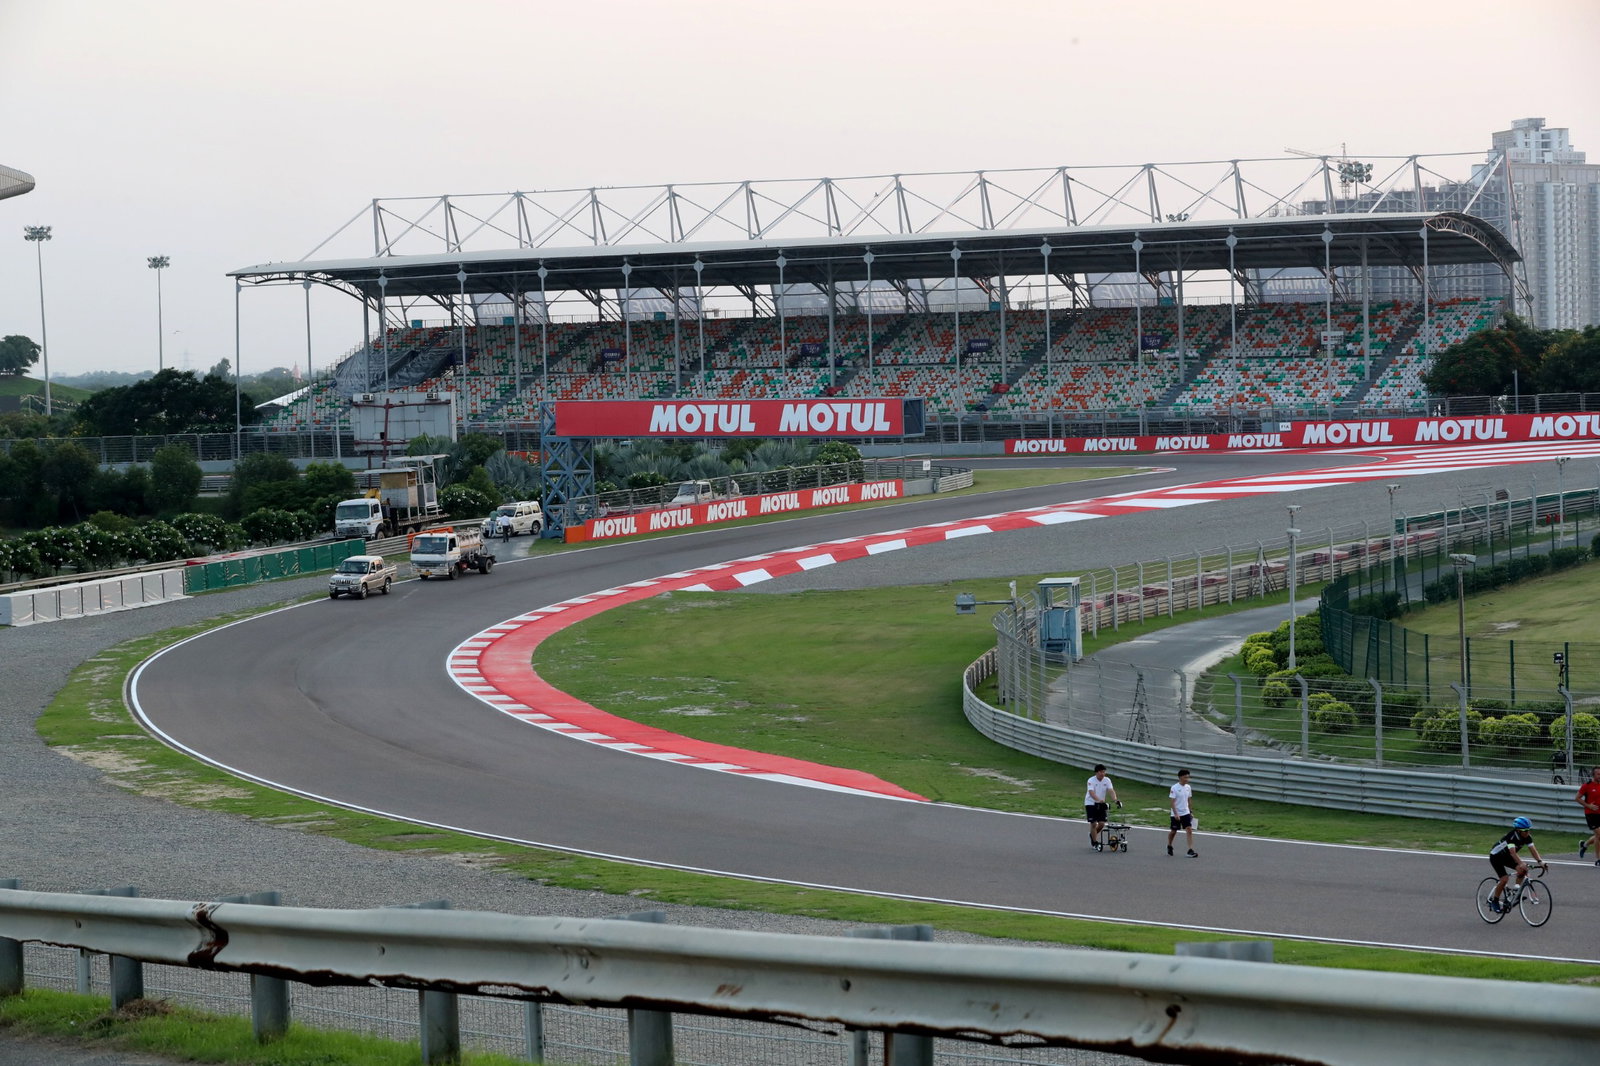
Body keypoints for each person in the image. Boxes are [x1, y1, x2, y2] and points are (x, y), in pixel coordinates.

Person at [1487, 816, 1543, 911]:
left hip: (1507, 856)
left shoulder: (1527, 837)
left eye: (1529, 830)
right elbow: (1513, 853)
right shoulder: (1511, 837)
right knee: (1504, 879)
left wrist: (1540, 861)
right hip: (1496, 857)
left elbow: (1533, 850)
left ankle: (1515, 892)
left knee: (1523, 870)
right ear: (1518, 830)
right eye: (1525, 830)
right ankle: (1495, 901)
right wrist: (1521, 863)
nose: (1528, 832)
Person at [1083, 764, 1120, 850]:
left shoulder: (1107, 780)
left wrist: (1115, 800)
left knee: (1102, 824)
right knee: (1093, 823)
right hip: (1091, 803)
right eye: (1101, 772)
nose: (1102, 774)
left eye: (1104, 772)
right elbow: (1091, 792)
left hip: (1101, 804)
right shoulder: (1091, 780)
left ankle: (1092, 834)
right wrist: (1098, 800)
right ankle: (1095, 842)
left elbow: (1111, 790)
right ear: (1096, 772)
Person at [1167, 768, 1197, 858]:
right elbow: (1172, 802)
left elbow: (1189, 799)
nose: (1187, 779)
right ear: (1180, 777)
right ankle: (1169, 845)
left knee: (1189, 829)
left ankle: (1190, 850)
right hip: (1176, 813)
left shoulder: (1188, 787)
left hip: (1185, 812)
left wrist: (1190, 811)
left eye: (1188, 777)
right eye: (1185, 777)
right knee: (1174, 831)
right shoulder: (1174, 788)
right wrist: (1176, 814)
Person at [1574, 766, 1600, 862]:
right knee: (1599, 835)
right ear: (1593, 775)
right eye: (1598, 774)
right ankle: (1598, 859)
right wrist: (1589, 806)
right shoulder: (1587, 786)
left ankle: (1585, 845)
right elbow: (1577, 798)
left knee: (1598, 835)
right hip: (1591, 814)